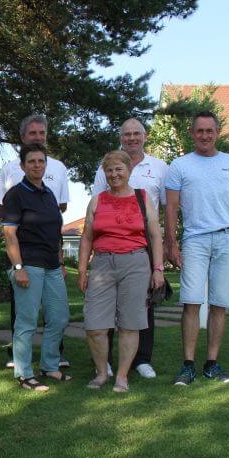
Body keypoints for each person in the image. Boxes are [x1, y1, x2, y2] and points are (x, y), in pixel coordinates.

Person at [164, 111, 229, 386]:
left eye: (209, 130)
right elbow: (171, 207)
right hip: (195, 240)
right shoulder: (179, 165)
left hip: (227, 238)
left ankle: (212, 364)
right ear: (192, 133)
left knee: (219, 304)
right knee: (191, 302)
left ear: (217, 132)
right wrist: (171, 243)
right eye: (200, 131)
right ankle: (188, 365)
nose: (205, 135)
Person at [79, 151, 164, 392]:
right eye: (109, 170)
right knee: (95, 325)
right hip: (102, 264)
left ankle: (122, 377)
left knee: (130, 324)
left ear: (129, 170)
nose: (114, 174)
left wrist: (158, 269)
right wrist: (82, 270)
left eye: (119, 169)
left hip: (136, 263)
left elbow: (155, 236)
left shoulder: (142, 197)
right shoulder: (97, 200)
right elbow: (86, 237)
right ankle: (101, 373)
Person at [92, 118, 168, 379]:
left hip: (143, 242)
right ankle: (106, 361)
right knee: (107, 306)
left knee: (142, 305)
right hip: (112, 243)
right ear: (121, 138)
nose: (132, 138)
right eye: (127, 134)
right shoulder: (106, 167)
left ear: (145, 136)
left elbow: (166, 207)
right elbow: (97, 204)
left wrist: (163, 253)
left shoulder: (159, 167)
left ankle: (142, 359)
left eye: (137, 133)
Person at [0, 114, 70, 369]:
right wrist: (18, 268)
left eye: (41, 161)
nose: (37, 165)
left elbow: (55, 231)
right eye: (32, 162)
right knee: (27, 321)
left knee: (59, 318)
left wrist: (60, 262)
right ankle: (24, 372)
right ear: (23, 166)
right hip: (28, 264)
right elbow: (9, 234)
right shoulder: (15, 195)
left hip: (52, 266)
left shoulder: (49, 194)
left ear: (46, 165)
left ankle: (50, 366)